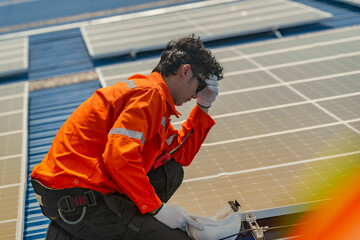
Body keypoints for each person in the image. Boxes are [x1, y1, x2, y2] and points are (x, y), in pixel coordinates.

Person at [30, 34, 223, 240]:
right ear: (185, 72)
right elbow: (118, 158)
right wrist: (157, 209)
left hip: (69, 192)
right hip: (78, 197)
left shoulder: (152, 97)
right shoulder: (149, 96)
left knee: (170, 171)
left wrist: (203, 106)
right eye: (199, 87)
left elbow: (179, 153)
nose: (195, 95)